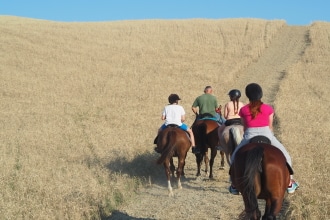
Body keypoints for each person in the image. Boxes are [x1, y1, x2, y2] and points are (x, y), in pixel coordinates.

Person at [229, 83, 299, 195]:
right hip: (266, 134)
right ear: (261, 94)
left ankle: (234, 184)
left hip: (249, 135)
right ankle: (290, 182)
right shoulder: (268, 108)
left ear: (247, 95)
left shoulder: (243, 110)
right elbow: (270, 126)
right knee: (286, 156)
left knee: (234, 157)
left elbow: (245, 126)